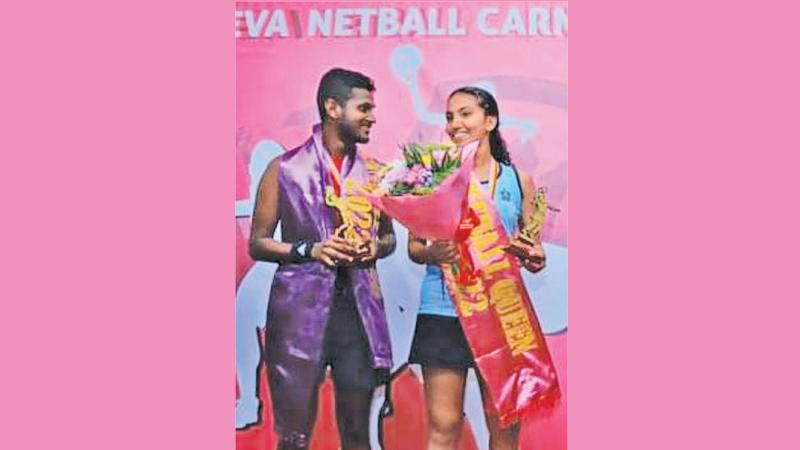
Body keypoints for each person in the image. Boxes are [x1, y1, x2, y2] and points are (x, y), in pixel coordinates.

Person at [249, 68, 396, 450]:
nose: (372, 117)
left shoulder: (377, 173)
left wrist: (374, 248)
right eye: (363, 107)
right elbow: (258, 243)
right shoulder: (284, 169)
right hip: (299, 315)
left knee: (357, 436)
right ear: (333, 107)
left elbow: (389, 239)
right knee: (294, 438)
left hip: (359, 317)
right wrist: (309, 250)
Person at [407, 86, 546, 450]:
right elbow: (415, 249)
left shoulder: (518, 181)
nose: (455, 124)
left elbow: (533, 250)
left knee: (503, 423)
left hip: (502, 312)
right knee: (444, 426)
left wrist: (533, 257)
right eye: (450, 117)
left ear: (490, 121)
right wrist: (435, 254)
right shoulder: (431, 177)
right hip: (443, 309)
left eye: (465, 114)